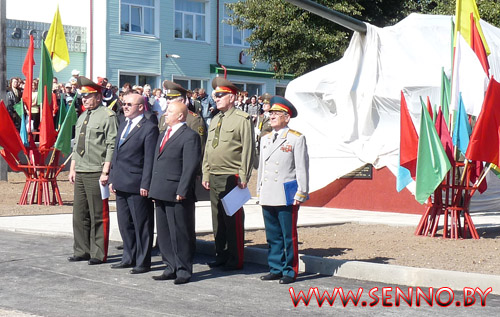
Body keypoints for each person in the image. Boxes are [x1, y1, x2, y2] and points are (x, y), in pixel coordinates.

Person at [201, 77, 255, 270]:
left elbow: (248, 148)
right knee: (217, 220)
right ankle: (221, 254)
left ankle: (235, 258)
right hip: (215, 174)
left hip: (232, 175)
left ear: (231, 97)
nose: (216, 98)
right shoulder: (215, 119)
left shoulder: (242, 119)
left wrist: (243, 175)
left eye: (221, 95)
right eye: (216, 95)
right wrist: (206, 173)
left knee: (232, 219)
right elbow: (209, 148)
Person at [257, 96, 309, 284]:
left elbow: (302, 167)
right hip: (269, 191)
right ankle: (275, 267)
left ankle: (290, 270)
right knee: (272, 235)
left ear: (287, 117)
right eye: (271, 113)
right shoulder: (265, 139)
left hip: (287, 192)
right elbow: (262, 167)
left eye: (276, 113)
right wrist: (259, 190)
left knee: (288, 235)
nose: (271, 116)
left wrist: (301, 192)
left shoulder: (296, 138)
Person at [68, 76, 118, 265]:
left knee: (98, 213)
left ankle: (98, 253)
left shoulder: (107, 115)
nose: (84, 100)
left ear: (98, 96)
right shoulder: (82, 116)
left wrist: (106, 170)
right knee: (79, 214)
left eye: (88, 97)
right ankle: (81, 250)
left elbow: (111, 144)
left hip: (96, 170)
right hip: (81, 169)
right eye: (82, 97)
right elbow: (76, 146)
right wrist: (72, 168)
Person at [149, 101, 201, 284]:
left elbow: (190, 166)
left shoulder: (190, 136)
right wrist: (151, 186)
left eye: (169, 111)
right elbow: (156, 162)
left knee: (180, 232)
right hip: (161, 189)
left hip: (177, 192)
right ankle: (170, 266)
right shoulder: (163, 134)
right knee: (163, 232)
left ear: (180, 115)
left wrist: (183, 189)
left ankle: (183, 270)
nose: (165, 113)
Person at [108, 93, 158, 274]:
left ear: (141, 107)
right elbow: (116, 154)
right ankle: (128, 257)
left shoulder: (148, 128)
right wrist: (113, 178)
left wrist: (146, 184)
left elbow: (149, 159)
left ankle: (142, 261)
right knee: (125, 223)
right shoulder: (123, 125)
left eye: (129, 104)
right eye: (124, 104)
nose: (125, 107)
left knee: (141, 224)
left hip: (137, 184)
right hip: (121, 181)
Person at [159, 80, 207, 152]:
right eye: (167, 98)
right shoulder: (163, 118)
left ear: (181, 101)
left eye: (171, 99)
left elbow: (200, 148)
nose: (168, 101)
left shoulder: (194, 120)